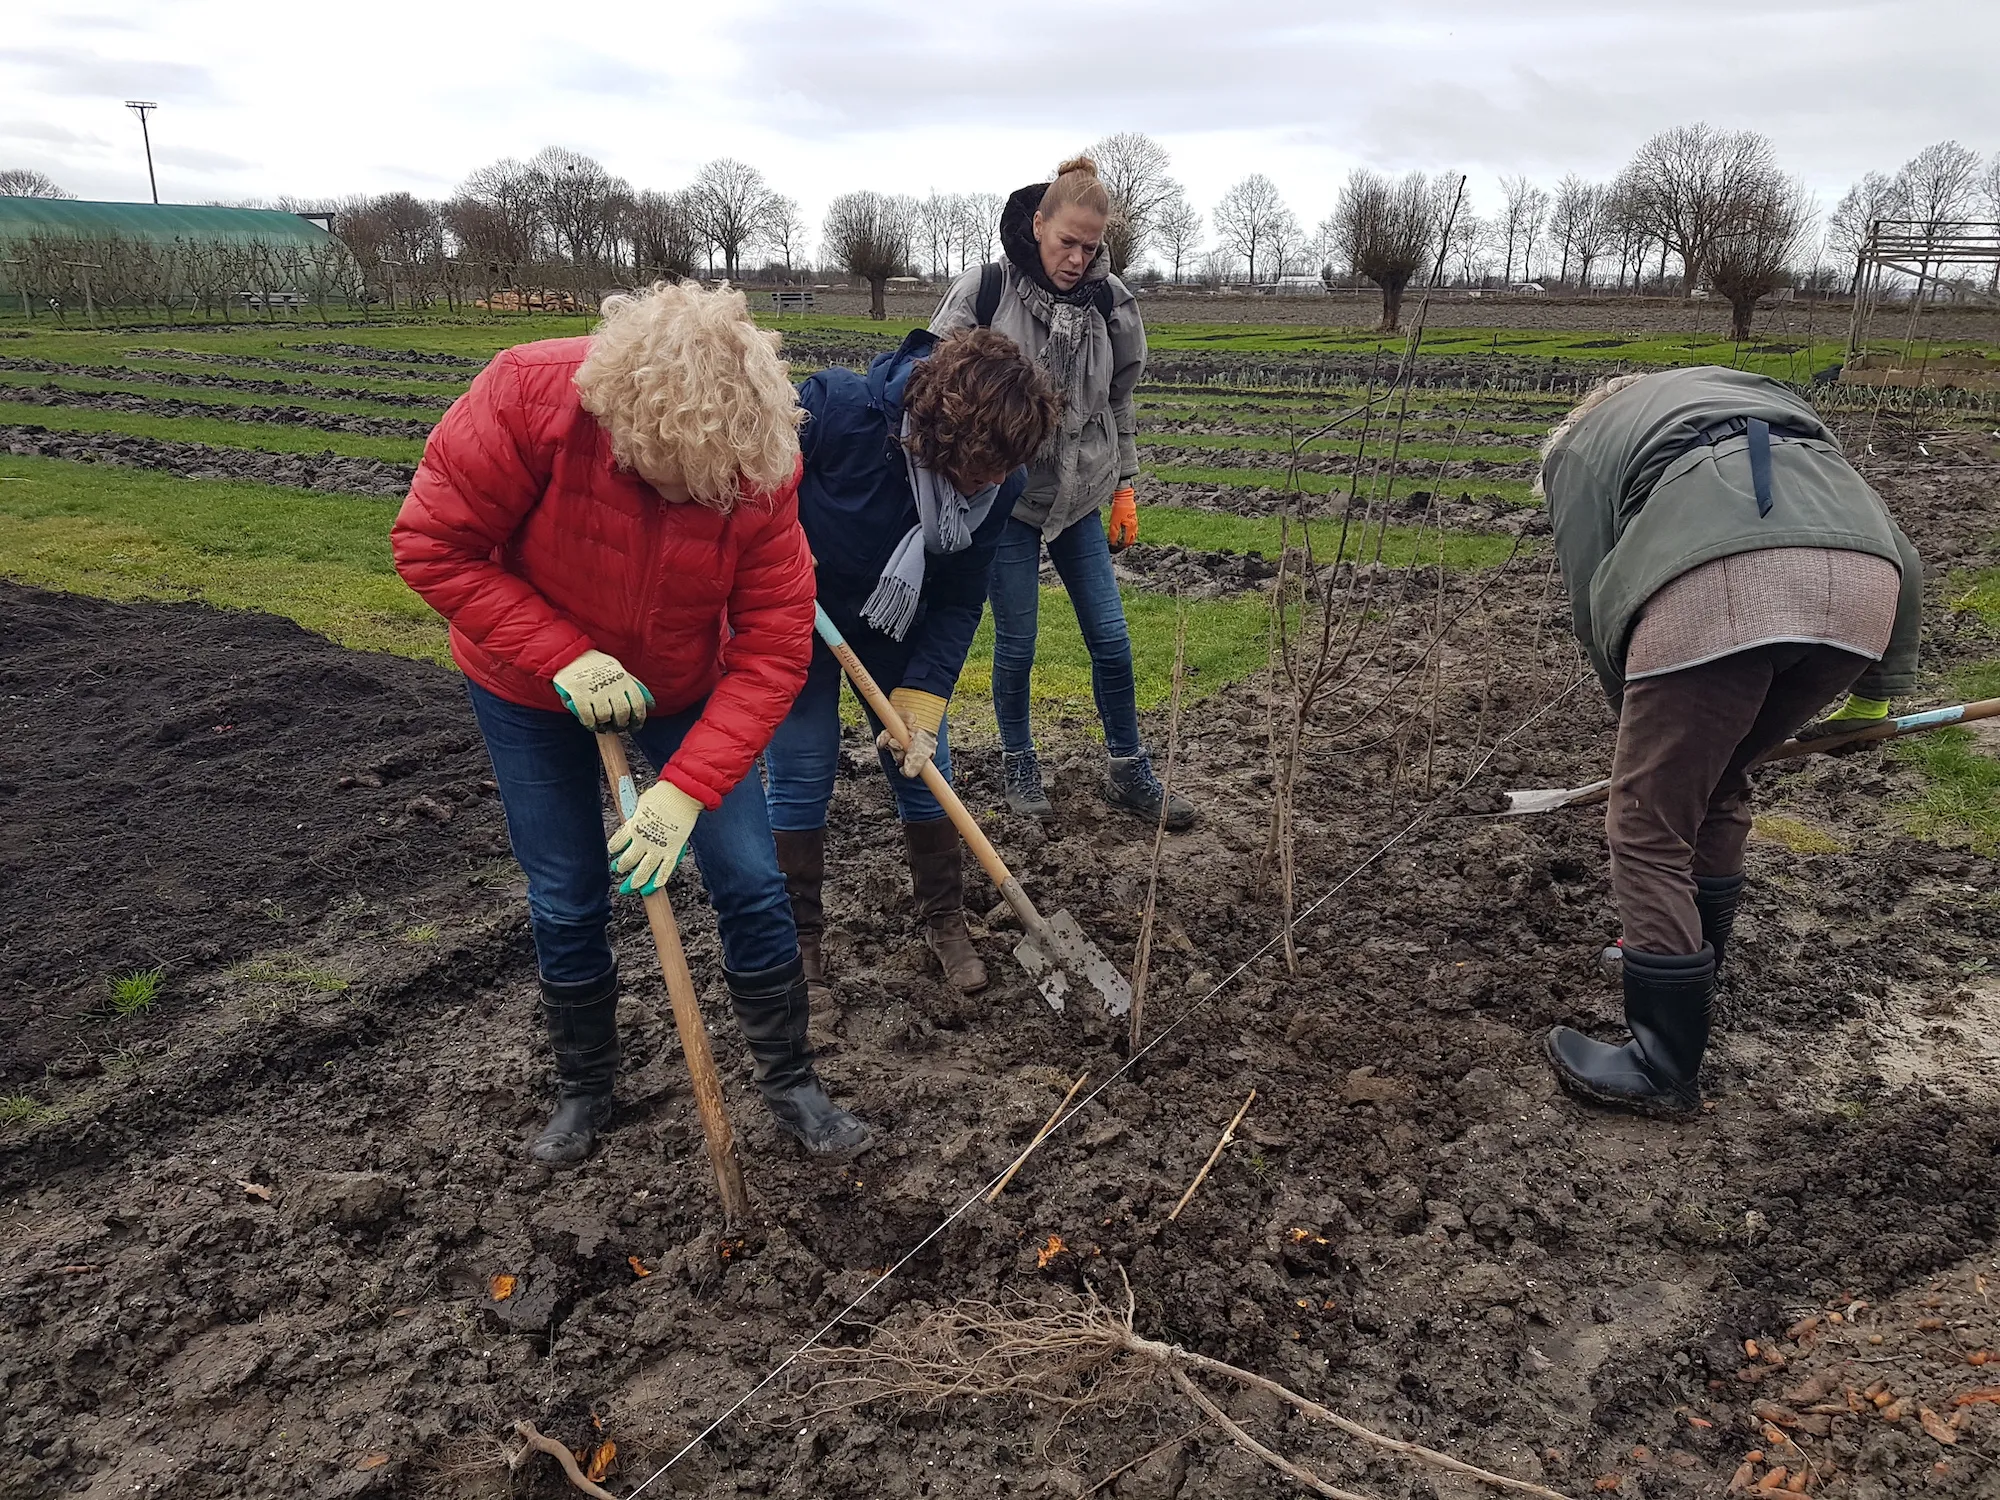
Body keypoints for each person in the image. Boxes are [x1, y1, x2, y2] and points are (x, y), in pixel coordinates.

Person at [391, 281, 871, 1164]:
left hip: (686, 682)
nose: (703, 499)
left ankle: (792, 1084)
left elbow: (771, 651)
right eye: (680, 482)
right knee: (568, 892)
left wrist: (685, 791)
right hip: (527, 686)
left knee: (751, 877)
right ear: (628, 431)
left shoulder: (758, 469)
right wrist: (563, 655)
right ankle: (585, 1091)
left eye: (717, 488)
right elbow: (431, 543)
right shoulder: (529, 399)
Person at [1537, 366, 1922, 1117]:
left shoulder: (1579, 450)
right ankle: (1692, 963)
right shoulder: (1773, 408)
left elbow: (1594, 592)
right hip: (1866, 593)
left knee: (1646, 821)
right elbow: (1893, 543)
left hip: (1720, 591)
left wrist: (1637, 731)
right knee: (1718, 780)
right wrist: (1876, 695)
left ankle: (1661, 1062)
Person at [765, 328, 1060, 995]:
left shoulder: (1000, 484)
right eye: (981, 467)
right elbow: (754, 483)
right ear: (944, 435)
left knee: (926, 767)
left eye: (1002, 471)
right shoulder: (837, 412)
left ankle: (944, 918)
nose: (990, 483)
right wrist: (774, 549)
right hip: (794, 613)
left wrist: (924, 696)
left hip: (897, 624)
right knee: (801, 769)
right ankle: (800, 941)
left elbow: (959, 599)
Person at [932, 156, 1196, 832]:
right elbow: (929, 386)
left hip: (1082, 489)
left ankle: (1129, 768)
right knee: (1017, 642)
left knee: (1110, 638)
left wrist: (1125, 486)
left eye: (1090, 245)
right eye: (1065, 243)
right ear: (1037, 223)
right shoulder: (986, 291)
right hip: (1007, 499)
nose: (1077, 258)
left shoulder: (1112, 302)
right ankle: (1019, 761)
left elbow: (1120, 399)